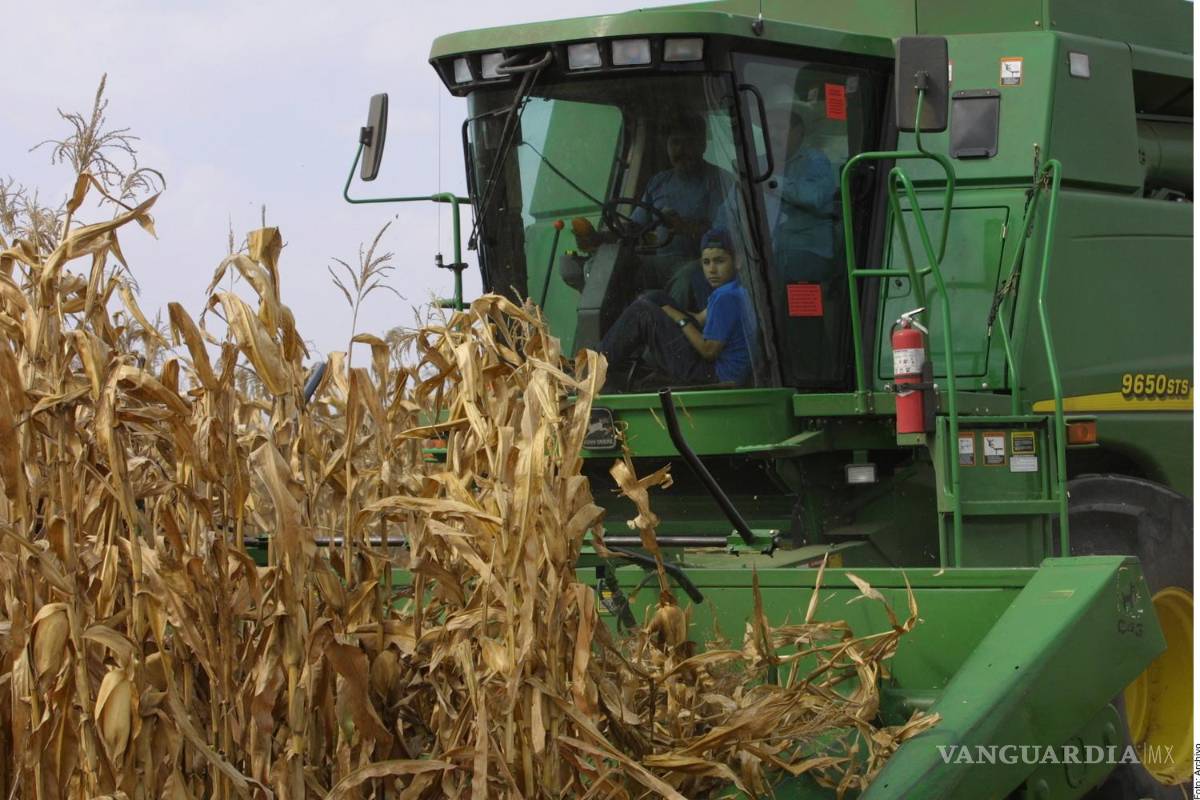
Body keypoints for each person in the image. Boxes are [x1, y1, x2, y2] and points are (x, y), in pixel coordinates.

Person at [574, 112, 734, 294]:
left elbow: (723, 234)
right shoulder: (658, 182)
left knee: (688, 277)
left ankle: (678, 321)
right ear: (667, 146)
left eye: (688, 143)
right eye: (675, 143)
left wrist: (683, 226)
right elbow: (634, 228)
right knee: (603, 266)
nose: (681, 151)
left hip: (699, 261)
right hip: (660, 263)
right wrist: (599, 238)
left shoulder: (718, 180)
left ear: (702, 145)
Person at [599, 227, 755, 390]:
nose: (712, 269)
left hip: (713, 376)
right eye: (706, 262)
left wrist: (678, 318)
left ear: (737, 261)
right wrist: (661, 309)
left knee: (643, 312)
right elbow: (700, 319)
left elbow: (708, 351)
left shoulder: (726, 298)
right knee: (655, 298)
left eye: (719, 261)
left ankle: (591, 371)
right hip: (713, 370)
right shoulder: (733, 289)